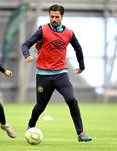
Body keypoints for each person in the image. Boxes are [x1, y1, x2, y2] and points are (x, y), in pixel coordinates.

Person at [21, 4, 92, 142]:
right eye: (52, 16)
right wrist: (26, 55)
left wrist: (82, 66)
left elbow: (78, 49)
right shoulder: (42, 30)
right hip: (43, 76)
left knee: (72, 100)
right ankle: (31, 125)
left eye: (57, 17)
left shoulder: (69, 33)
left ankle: (81, 133)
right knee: (40, 107)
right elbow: (25, 45)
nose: (54, 19)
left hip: (61, 74)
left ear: (62, 17)